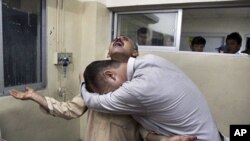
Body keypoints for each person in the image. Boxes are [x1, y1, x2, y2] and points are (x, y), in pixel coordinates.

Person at [10, 36, 196, 141]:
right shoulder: (95, 81)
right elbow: (69, 109)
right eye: (115, 38)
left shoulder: (142, 86)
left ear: (135, 53)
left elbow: (145, 130)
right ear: (108, 53)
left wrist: (165, 140)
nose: (119, 37)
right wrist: (35, 96)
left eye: (127, 39)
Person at [81, 54, 222, 141]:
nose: (110, 96)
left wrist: (82, 84)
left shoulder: (136, 89)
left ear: (110, 75)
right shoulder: (152, 59)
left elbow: (94, 102)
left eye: (107, 92)